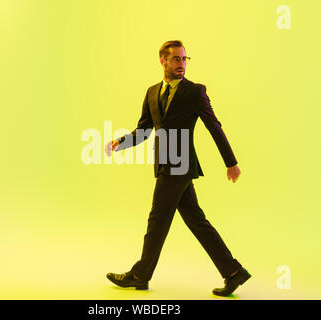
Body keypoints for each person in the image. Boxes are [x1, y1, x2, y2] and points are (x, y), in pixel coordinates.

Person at [104, 40, 251, 297]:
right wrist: (121, 142)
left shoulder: (194, 92)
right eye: (176, 59)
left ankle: (140, 274)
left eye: (184, 59)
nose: (181, 64)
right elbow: (145, 130)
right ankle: (233, 272)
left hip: (180, 165)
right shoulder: (151, 92)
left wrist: (231, 162)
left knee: (157, 219)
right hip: (163, 164)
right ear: (162, 61)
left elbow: (213, 126)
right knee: (196, 221)